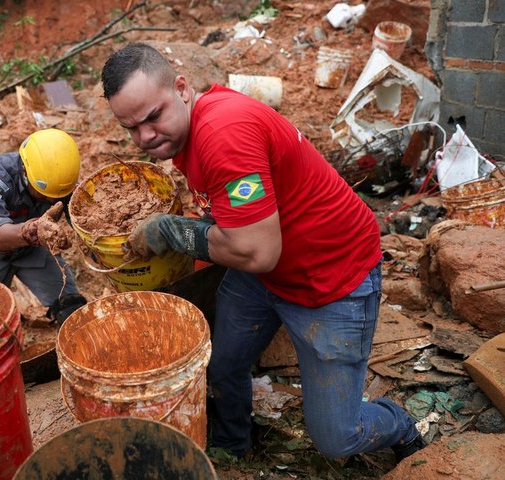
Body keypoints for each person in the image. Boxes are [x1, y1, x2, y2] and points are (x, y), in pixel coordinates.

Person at [100, 43, 425, 462]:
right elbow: (243, 234)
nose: (144, 137)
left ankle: (397, 422)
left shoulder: (222, 134)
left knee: (337, 439)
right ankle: (234, 444)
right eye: (131, 127)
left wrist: (171, 230)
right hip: (267, 267)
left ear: (181, 88)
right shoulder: (189, 130)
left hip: (331, 277)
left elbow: (257, 252)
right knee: (221, 364)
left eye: (152, 117)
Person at [0, 128, 87, 325]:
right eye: (44, 195)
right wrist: (30, 231)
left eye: (57, 195)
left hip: (32, 251)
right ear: (25, 173)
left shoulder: (60, 180)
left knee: (70, 306)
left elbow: (85, 220)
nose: (52, 199)